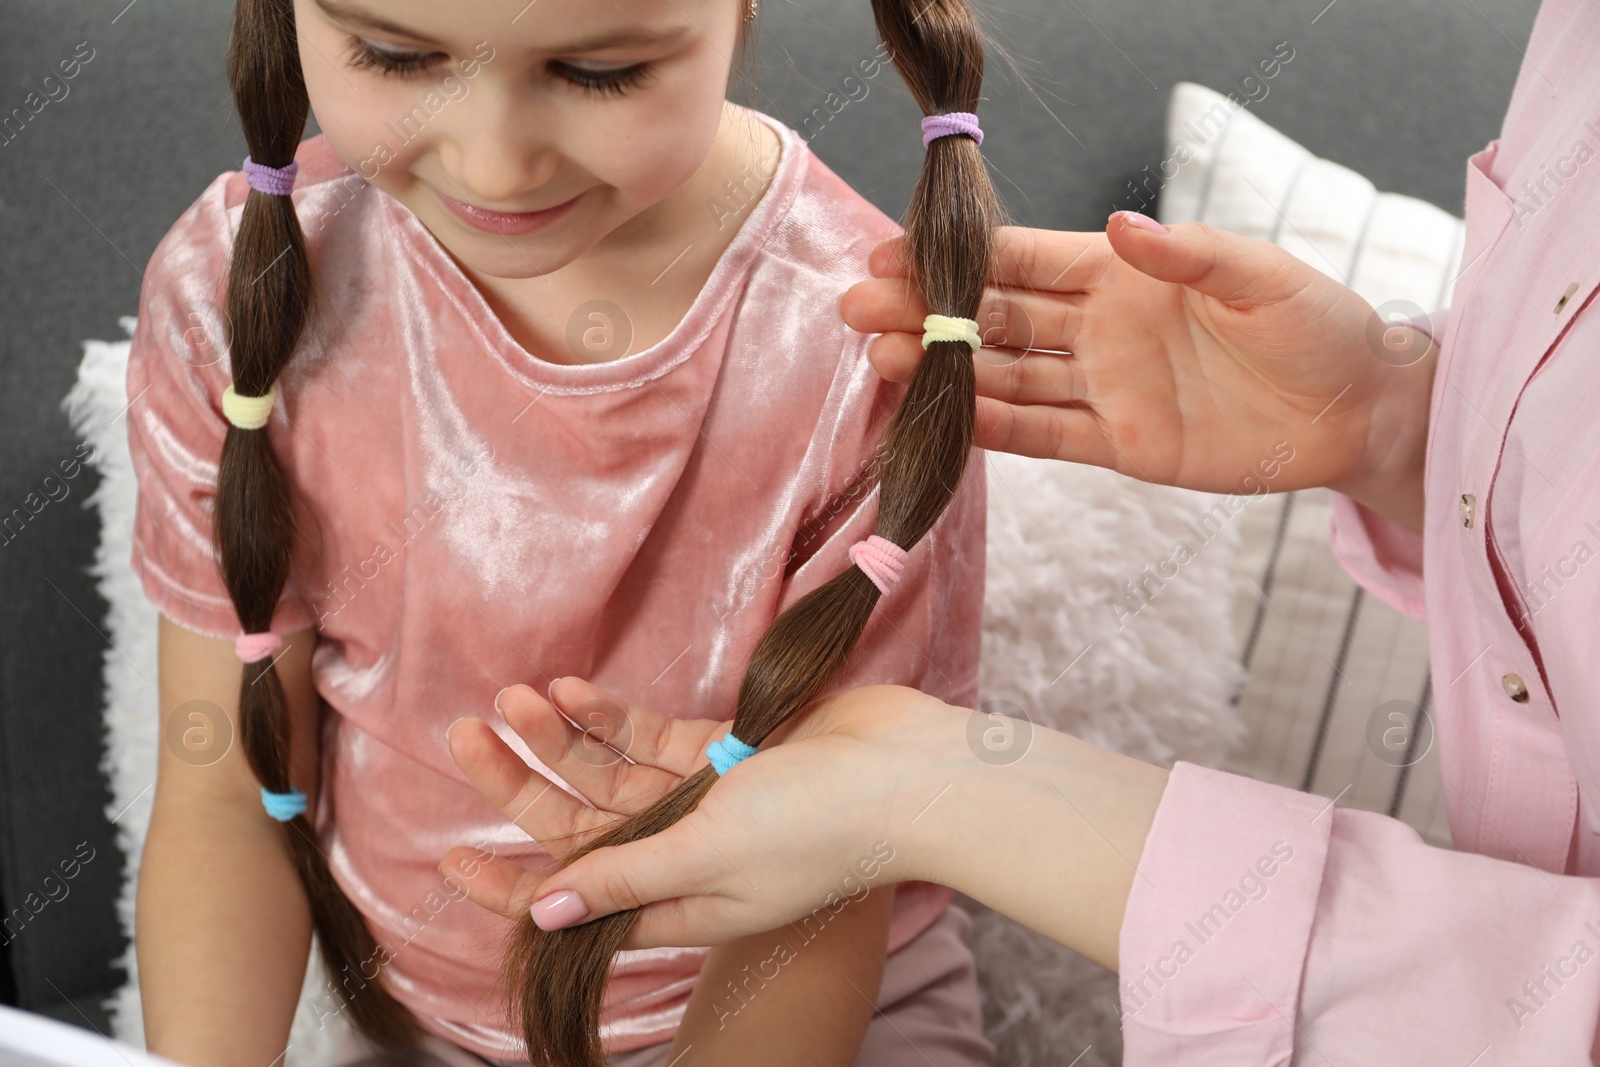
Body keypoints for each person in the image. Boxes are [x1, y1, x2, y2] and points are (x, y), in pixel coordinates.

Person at [440, 0, 1600, 1059]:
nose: (492, 158)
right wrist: (1404, 425)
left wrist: (948, 795)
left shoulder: (811, 321)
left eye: (598, 69)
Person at [129, 0, 1000, 1065]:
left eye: (598, 72)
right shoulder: (236, 289)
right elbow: (222, 794)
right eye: (396, 56)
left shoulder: (872, 340)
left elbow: (827, 886)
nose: (494, 167)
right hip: (411, 1021)